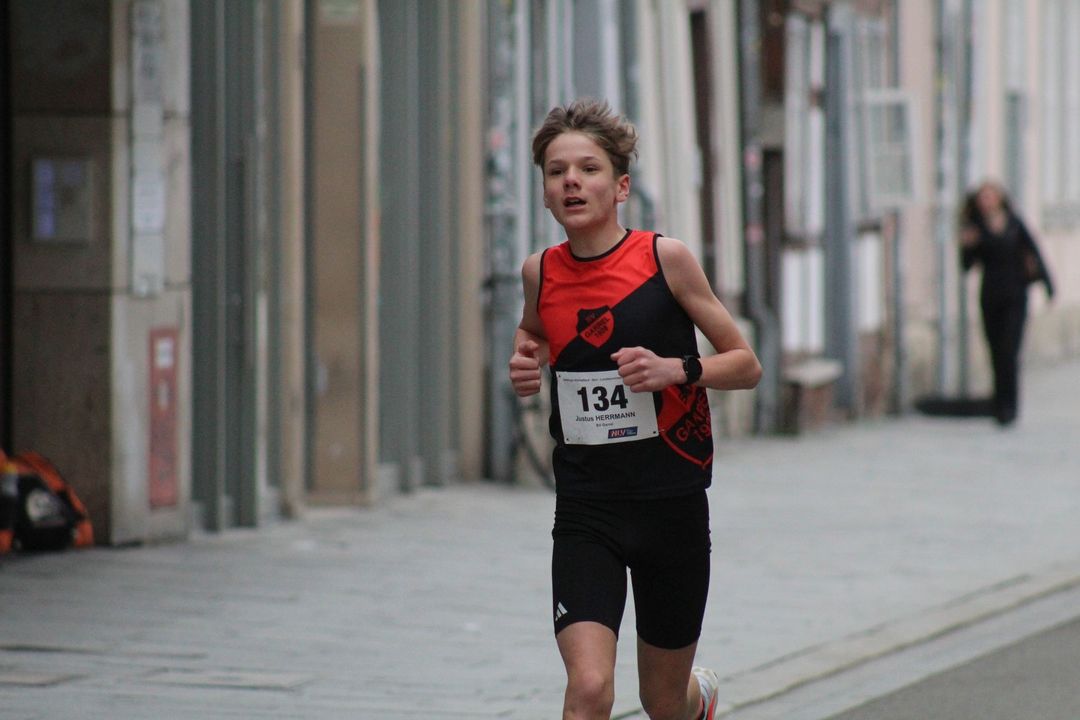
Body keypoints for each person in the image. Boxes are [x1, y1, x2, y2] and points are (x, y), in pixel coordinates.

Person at [508, 99, 762, 720]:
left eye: (588, 169)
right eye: (556, 170)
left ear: (620, 186)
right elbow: (535, 337)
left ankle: (697, 700)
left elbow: (746, 363)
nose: (571, 181)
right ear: (543, 192)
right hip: (587, 505)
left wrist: (677, 369)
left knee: (663, 702)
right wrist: (525, 363)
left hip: (669, 502)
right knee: (590, 689)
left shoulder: (663, 259)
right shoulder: (539, 272)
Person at [959, 180, 1054, 426]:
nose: (986, 201)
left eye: (990, 196)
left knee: (1010, 350)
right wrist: (967, 246)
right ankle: (999, 404)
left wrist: (1048, 285)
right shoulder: (975, 227)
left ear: (1000, 198)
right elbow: (967, 266)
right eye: (983, 197)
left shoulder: (1014, 222)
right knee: (995, 351)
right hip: (990, 294)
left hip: (1016, 293)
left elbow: (1034, 251)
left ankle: (1011, 405)